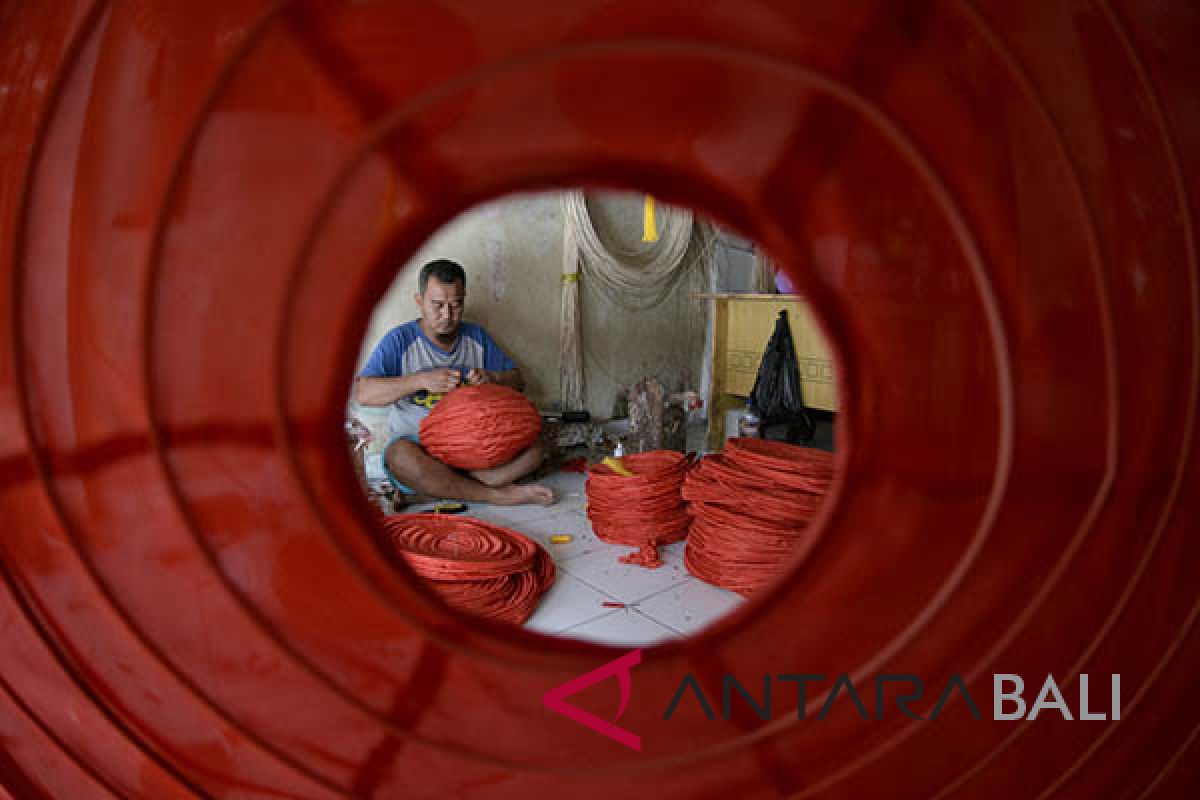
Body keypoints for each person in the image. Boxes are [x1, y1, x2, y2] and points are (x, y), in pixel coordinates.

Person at [355, 258, 554, 506]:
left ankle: (446, 487)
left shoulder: (476, 336)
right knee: (399, 457)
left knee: (536, 444)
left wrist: (493, 379)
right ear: (419, 301)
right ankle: (492, 492)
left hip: (476, 446)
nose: (447, 316)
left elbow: (518, 381)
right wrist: (420, 380)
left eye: (456, 305)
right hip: (422, 447)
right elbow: (363, 393)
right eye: (437, 305)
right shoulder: (399, 340)